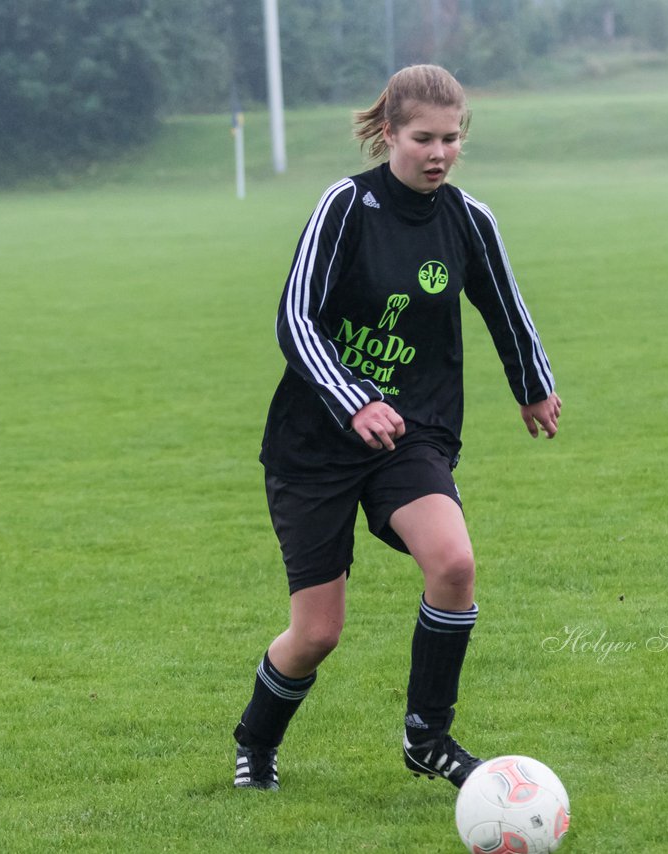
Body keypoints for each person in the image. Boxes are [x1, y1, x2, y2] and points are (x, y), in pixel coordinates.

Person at [233, 64, 561, 791]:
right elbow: (296, 317)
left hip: (411, 433)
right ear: (389, 135)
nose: (438, 152)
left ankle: (427, 737)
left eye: (451, 139)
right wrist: (352, 396)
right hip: (314, 441)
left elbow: (505, 306)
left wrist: (533, 387)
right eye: (423, 138)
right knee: (317, 632)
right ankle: (255, 743)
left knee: (453, 563)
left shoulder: (470, 220)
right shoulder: (347, 205)